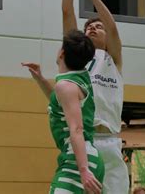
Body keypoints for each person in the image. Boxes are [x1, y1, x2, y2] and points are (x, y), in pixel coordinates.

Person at [25, 0, 129, 193]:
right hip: (85, 140)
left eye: (98, 26)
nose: (92, 28)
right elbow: (66, 12)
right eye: (88, 27)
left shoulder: (112, 59)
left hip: (112, 142)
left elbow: (113, 29)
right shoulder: (78, 62)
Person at [26, 30, 104, 193]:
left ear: (61, 53)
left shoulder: (65, 86)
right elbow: (61, 103)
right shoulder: (80, 76)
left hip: (78, 161)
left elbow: (76, 129)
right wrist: (40, 79)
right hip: (88, 157)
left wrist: (83, 170)